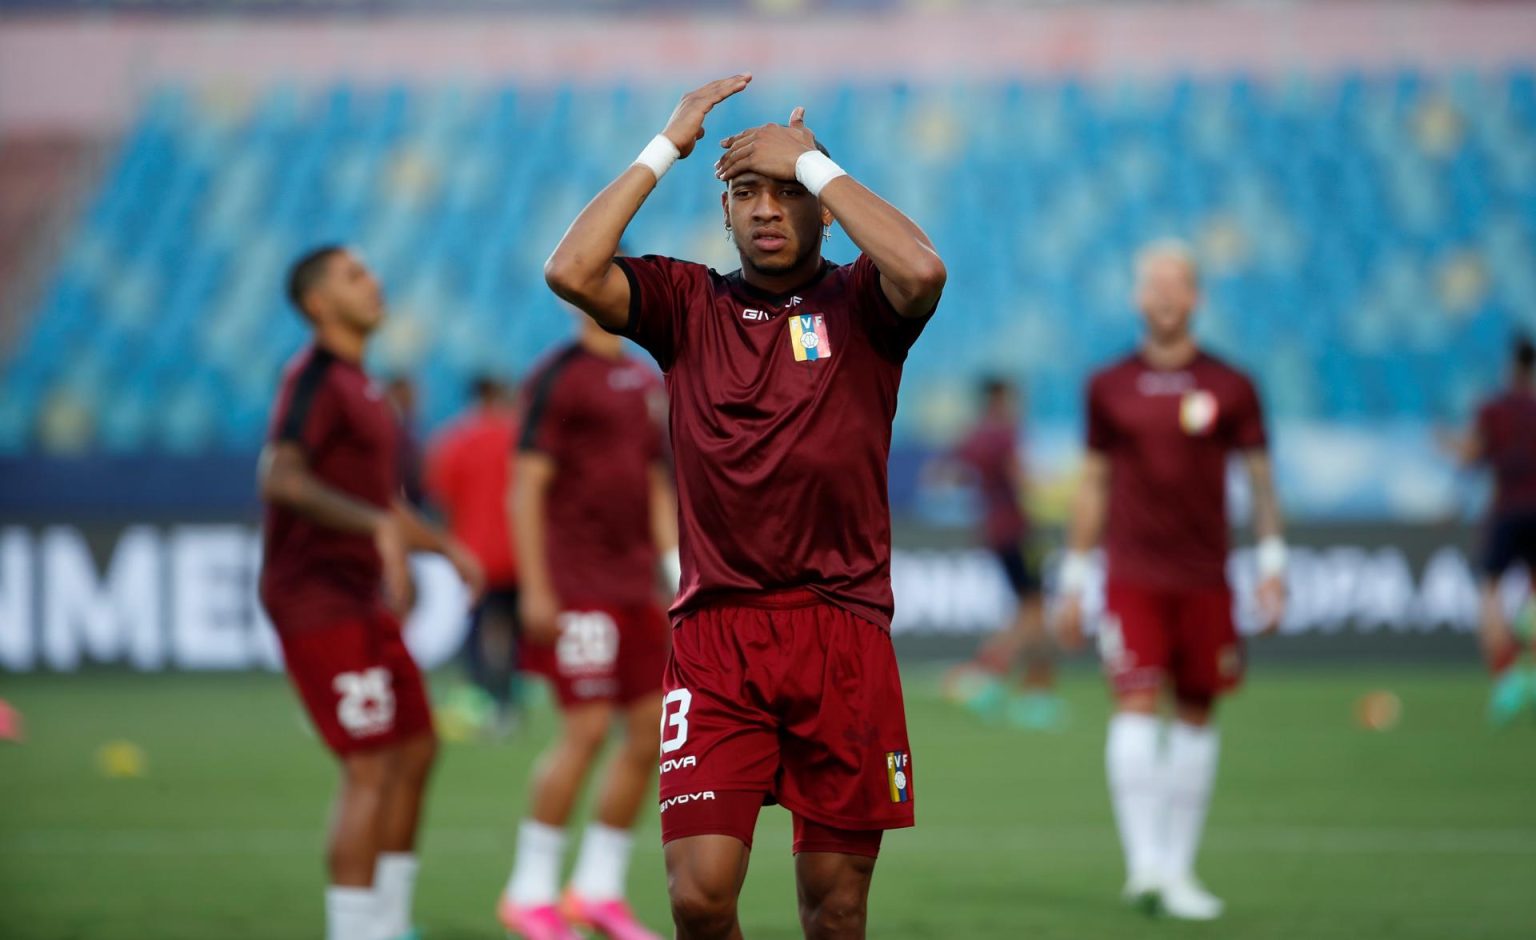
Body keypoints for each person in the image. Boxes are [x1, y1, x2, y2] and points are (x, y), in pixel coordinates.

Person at [542, 73, 946, 940]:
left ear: (824, 210)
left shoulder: (865, 306)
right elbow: (571, 269)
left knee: (835, 909)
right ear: (723, 213)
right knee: (698, 895)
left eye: (788, 193)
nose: (767, 209)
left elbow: (921, 266)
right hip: (717, 638)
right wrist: (669, 145)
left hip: (843, 632)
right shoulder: (688, 304)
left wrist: (814, 161)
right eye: (745, 193)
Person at [1053, 240, 1286, 921]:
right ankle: (1145, 867)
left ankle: (1179, 868)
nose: (1162, 294)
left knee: (1195, 713)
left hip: (1207, 578)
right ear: (1136, 296)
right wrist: (1074, 577)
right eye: (1151, 282)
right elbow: (1092, 483)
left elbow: (1262, 481)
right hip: (1132, 576)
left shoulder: (1233, 385)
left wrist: (1273, 566)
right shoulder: (1107, 385)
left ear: (1196, 298)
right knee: (1132, 703)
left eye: (1175, 283)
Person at [259, 245, 483, 940]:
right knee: (368, 763)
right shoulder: (313, 381)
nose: (375, 281)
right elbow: (281, 478)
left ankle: (388, 921)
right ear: (318, 304)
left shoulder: (367, 388)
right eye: (355, 275)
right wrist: (380, 530)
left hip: (361, 599)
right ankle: (356, 931)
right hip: (315, 598)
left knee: (415, 747)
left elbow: (380, 500)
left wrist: (444, 547)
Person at [496, 313, 679, 940]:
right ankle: (529, 893)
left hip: (634, 586)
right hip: (577, 583)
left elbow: (655, 480)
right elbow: (525, 486)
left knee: (651, 732)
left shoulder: (642, 378)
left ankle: (597, 890)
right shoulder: (556, 376)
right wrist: (536, 585)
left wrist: (676, 567)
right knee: (586, 729)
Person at [936, 376, 1063, 730]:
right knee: (1035, 611)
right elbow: (1023, 478)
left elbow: (947, 475)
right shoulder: (1006, 434)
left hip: (995, 530)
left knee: (1032, 609)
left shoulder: (975, 437)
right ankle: (984, 675)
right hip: (1022, 531)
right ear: (1000, 399)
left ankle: (1032, 690)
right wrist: (1051, 492)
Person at [1442, 334, 1536, 724]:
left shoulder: (1494, 409)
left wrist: (1447, 443)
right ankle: (1527, 624)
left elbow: (1472, 458)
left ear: (1509, 366)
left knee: (1491, 594)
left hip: (1505, 511)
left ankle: (1506, 678)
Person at [424, 376, 524, 735]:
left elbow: (441, 500)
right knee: (513, 629)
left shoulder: (451, 442)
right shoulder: (520, 436)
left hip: (475, 554)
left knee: (483, 628)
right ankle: (508, 703)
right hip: (519, 551)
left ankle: (487, 702)